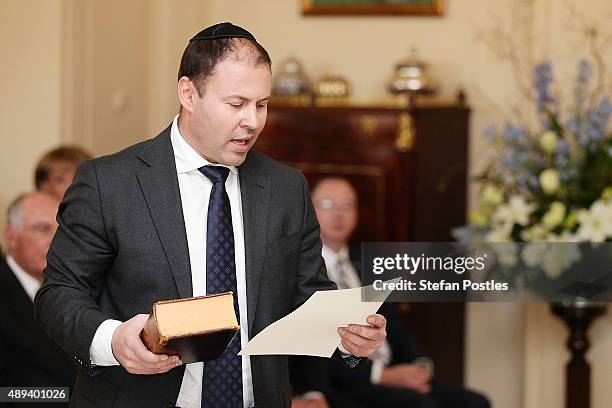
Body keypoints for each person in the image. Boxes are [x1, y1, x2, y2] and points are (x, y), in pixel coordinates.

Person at [34, 22, 387, 408]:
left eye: (262, 104)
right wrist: (112, 341)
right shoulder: (110, 183)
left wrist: (352, 338)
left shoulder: (286, 188)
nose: (252, 121)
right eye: (236, 104)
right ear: (188, 93)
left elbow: (310, 300)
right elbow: (59, 293)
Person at [306, 177, 490, 408]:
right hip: (347, 381)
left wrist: (419, 364)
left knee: (475, 403)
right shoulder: (304, 271)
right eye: (328, 205)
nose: (338, 215)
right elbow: (314, 349)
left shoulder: (365, 265)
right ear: (310, 211)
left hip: (393, 370)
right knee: (422, 406)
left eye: (347, 206)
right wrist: (382, 375)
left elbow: (395, 327)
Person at [0, 192, 76, 406]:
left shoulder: (77, 288)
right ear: (11, 236)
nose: (56, 242)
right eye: (43, 229)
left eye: (61, 230)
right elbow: (4, 393)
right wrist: (66, 396)